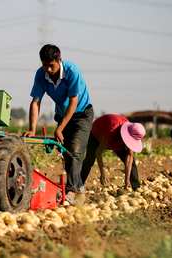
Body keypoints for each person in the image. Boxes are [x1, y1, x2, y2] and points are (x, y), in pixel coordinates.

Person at [23, 44, 94, 204]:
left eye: (51, 65)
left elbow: (73, 102)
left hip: (82, 113)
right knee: (66, 153)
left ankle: (71, 191)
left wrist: (60, 128)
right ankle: (79, 187)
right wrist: (32, 129)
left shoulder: (71, 71)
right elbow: (36, 101)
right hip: (63, 115)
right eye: (44, 65)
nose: (48, 69)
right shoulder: (41, 75)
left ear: (58, 60)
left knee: (75, 150)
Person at [80, 114, 146, 191]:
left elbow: (129, 156)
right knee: (89, 160)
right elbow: (98, 152)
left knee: (132, 162)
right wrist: (103, 174)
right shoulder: (111, 130)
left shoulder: (132, 131)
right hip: (96, 135)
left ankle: (135, 187)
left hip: (116, 137)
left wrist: (126, 180)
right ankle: (79, 184)